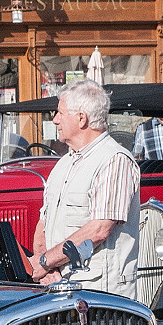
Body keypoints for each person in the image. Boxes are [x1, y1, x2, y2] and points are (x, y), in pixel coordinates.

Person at [31, 79, 140, 297]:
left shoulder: (114, 161)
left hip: (100, 295)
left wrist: (44, 262)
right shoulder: (63, 164)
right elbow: (43, 224)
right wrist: (47, 269)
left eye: (60, 113)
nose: (55, 120)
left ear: (82, 118)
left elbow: (99, 230)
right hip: (60, 289)